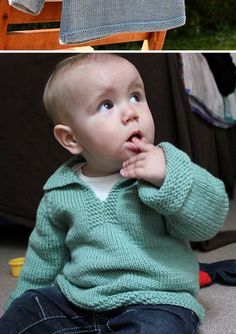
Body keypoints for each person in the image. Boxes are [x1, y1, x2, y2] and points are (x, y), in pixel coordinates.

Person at [0, 53, 229, 334]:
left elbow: (210, 219)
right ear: (71, 138)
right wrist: (19, 304)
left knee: (159, 328)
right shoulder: (59, 191)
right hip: (79, 301)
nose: (131, 112)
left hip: (157, 300)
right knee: (24, 313)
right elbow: (42, 260)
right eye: (106, 104)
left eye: (136, 96)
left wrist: (166, 178)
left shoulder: (168, 165)